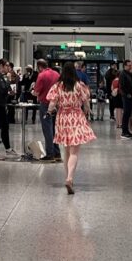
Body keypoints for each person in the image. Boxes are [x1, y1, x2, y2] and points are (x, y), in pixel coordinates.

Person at [47, 62, 96, 194]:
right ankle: (70, 178)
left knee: (66, 150)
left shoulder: (58, 86)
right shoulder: (78, 85)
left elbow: (52, 103)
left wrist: (49, 112)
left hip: (62, 118)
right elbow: (85, 102)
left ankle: (68, 178)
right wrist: (88, 111)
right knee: (74, 152)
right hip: (76, 117)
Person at [33, 60, 61, 161]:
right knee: (54, 129)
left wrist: (33, 91)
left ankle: (50, 154)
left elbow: (36, 92)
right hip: (55, 104)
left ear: (39, 67)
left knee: (47, 129)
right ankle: (57, 153)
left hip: (45, 104)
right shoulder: (56, 74)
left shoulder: (41, 75)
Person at [119, 61, 132, 139]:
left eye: (131, 65)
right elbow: (122, 86)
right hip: (126, 97)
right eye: (129, 65)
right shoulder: (123, 74)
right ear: (125, 66)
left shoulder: (129, 74)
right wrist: (127, 94)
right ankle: (124, 131)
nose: (130, 67)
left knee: (128, 114)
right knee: (126, 114)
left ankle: (127, 131)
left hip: (130, 97)